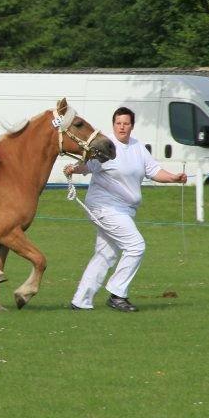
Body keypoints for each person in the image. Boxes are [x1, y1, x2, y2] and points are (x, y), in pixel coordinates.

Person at [64, 106, 187, 312]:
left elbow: (154, 171)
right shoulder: (105, 146)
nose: (122, 127)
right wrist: (74, 169)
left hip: (125, 210)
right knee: (136, 246)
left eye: (126, 123)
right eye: (118, 123)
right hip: (104, 206)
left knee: (107, 253)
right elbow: (88, 165)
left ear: (132, 126)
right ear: (113, 125)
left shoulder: (138, 147)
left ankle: (81, 301)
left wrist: (174, 177)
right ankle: (117, 294)